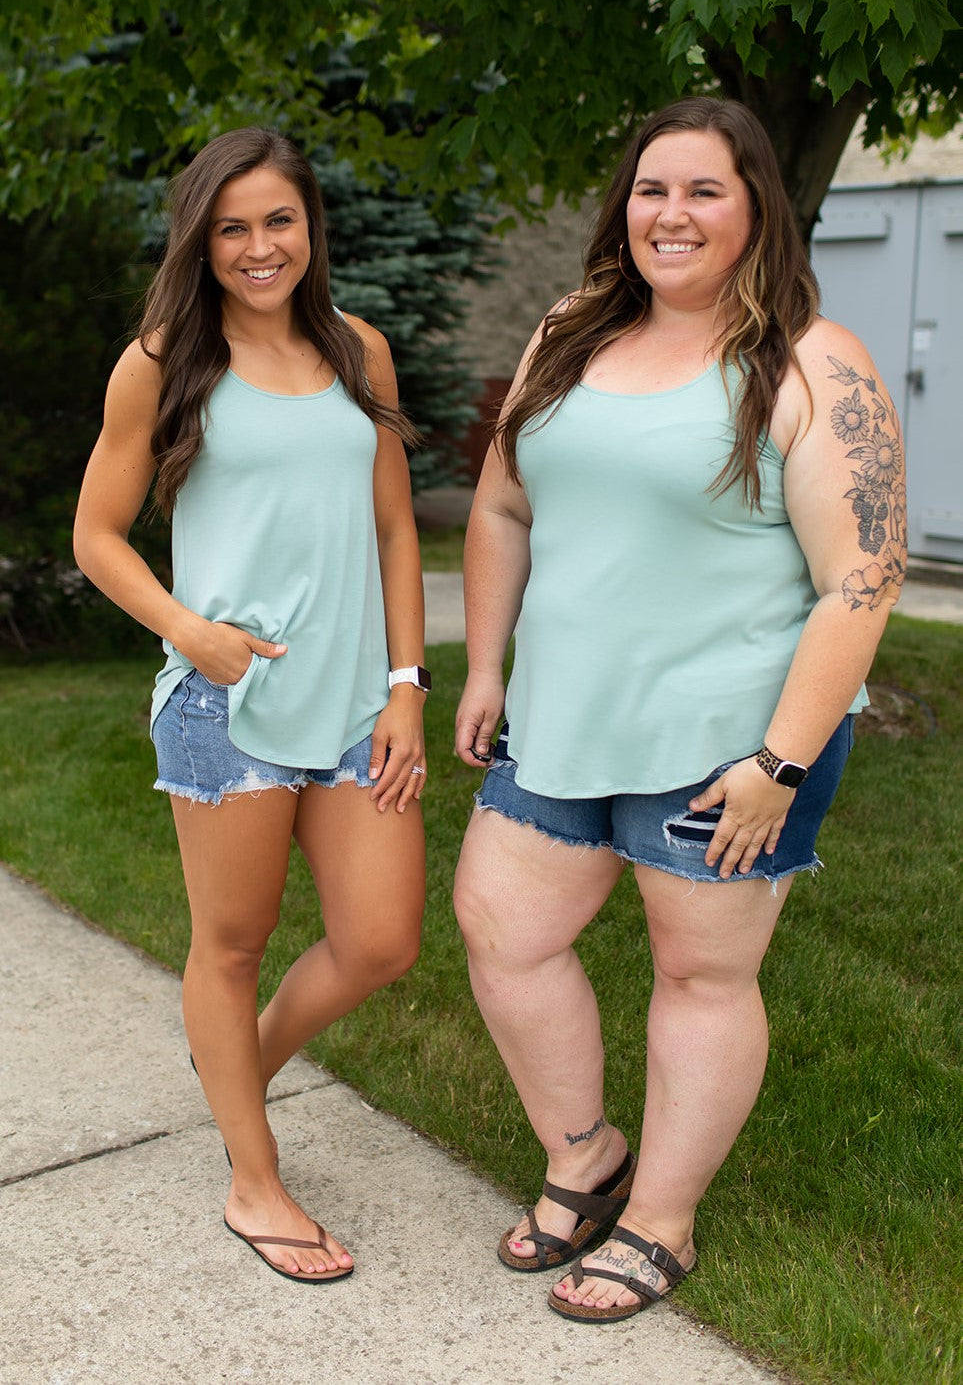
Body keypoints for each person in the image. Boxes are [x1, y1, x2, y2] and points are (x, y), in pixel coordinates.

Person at [453, 97, 905, 1323]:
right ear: (625, 206)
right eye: (654, 189)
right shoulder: (567, 333)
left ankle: (660, 1219)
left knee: (701, 972)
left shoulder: (813, 362)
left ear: (757, 207)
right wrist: (486, 666)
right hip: (562, 712)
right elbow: (502, 507)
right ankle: (587, 1157)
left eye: (706, 190)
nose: (673, 214)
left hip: (730, 743)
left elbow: (862, 579)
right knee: (503, 927)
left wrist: (780, 762)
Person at [74, 127, 428, 1284]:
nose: (259, 246)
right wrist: (188, 630)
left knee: (381, 939)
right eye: (232, 227)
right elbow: (96, 536)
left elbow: (394, 530)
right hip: (225, 705)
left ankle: (238, 1066)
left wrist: (408, 688)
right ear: (201, 240)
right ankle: (254, 1178)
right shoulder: (163, 360)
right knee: (229, 947)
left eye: (279, 220)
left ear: (311, 224)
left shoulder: (360, 351)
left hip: (354, 704)